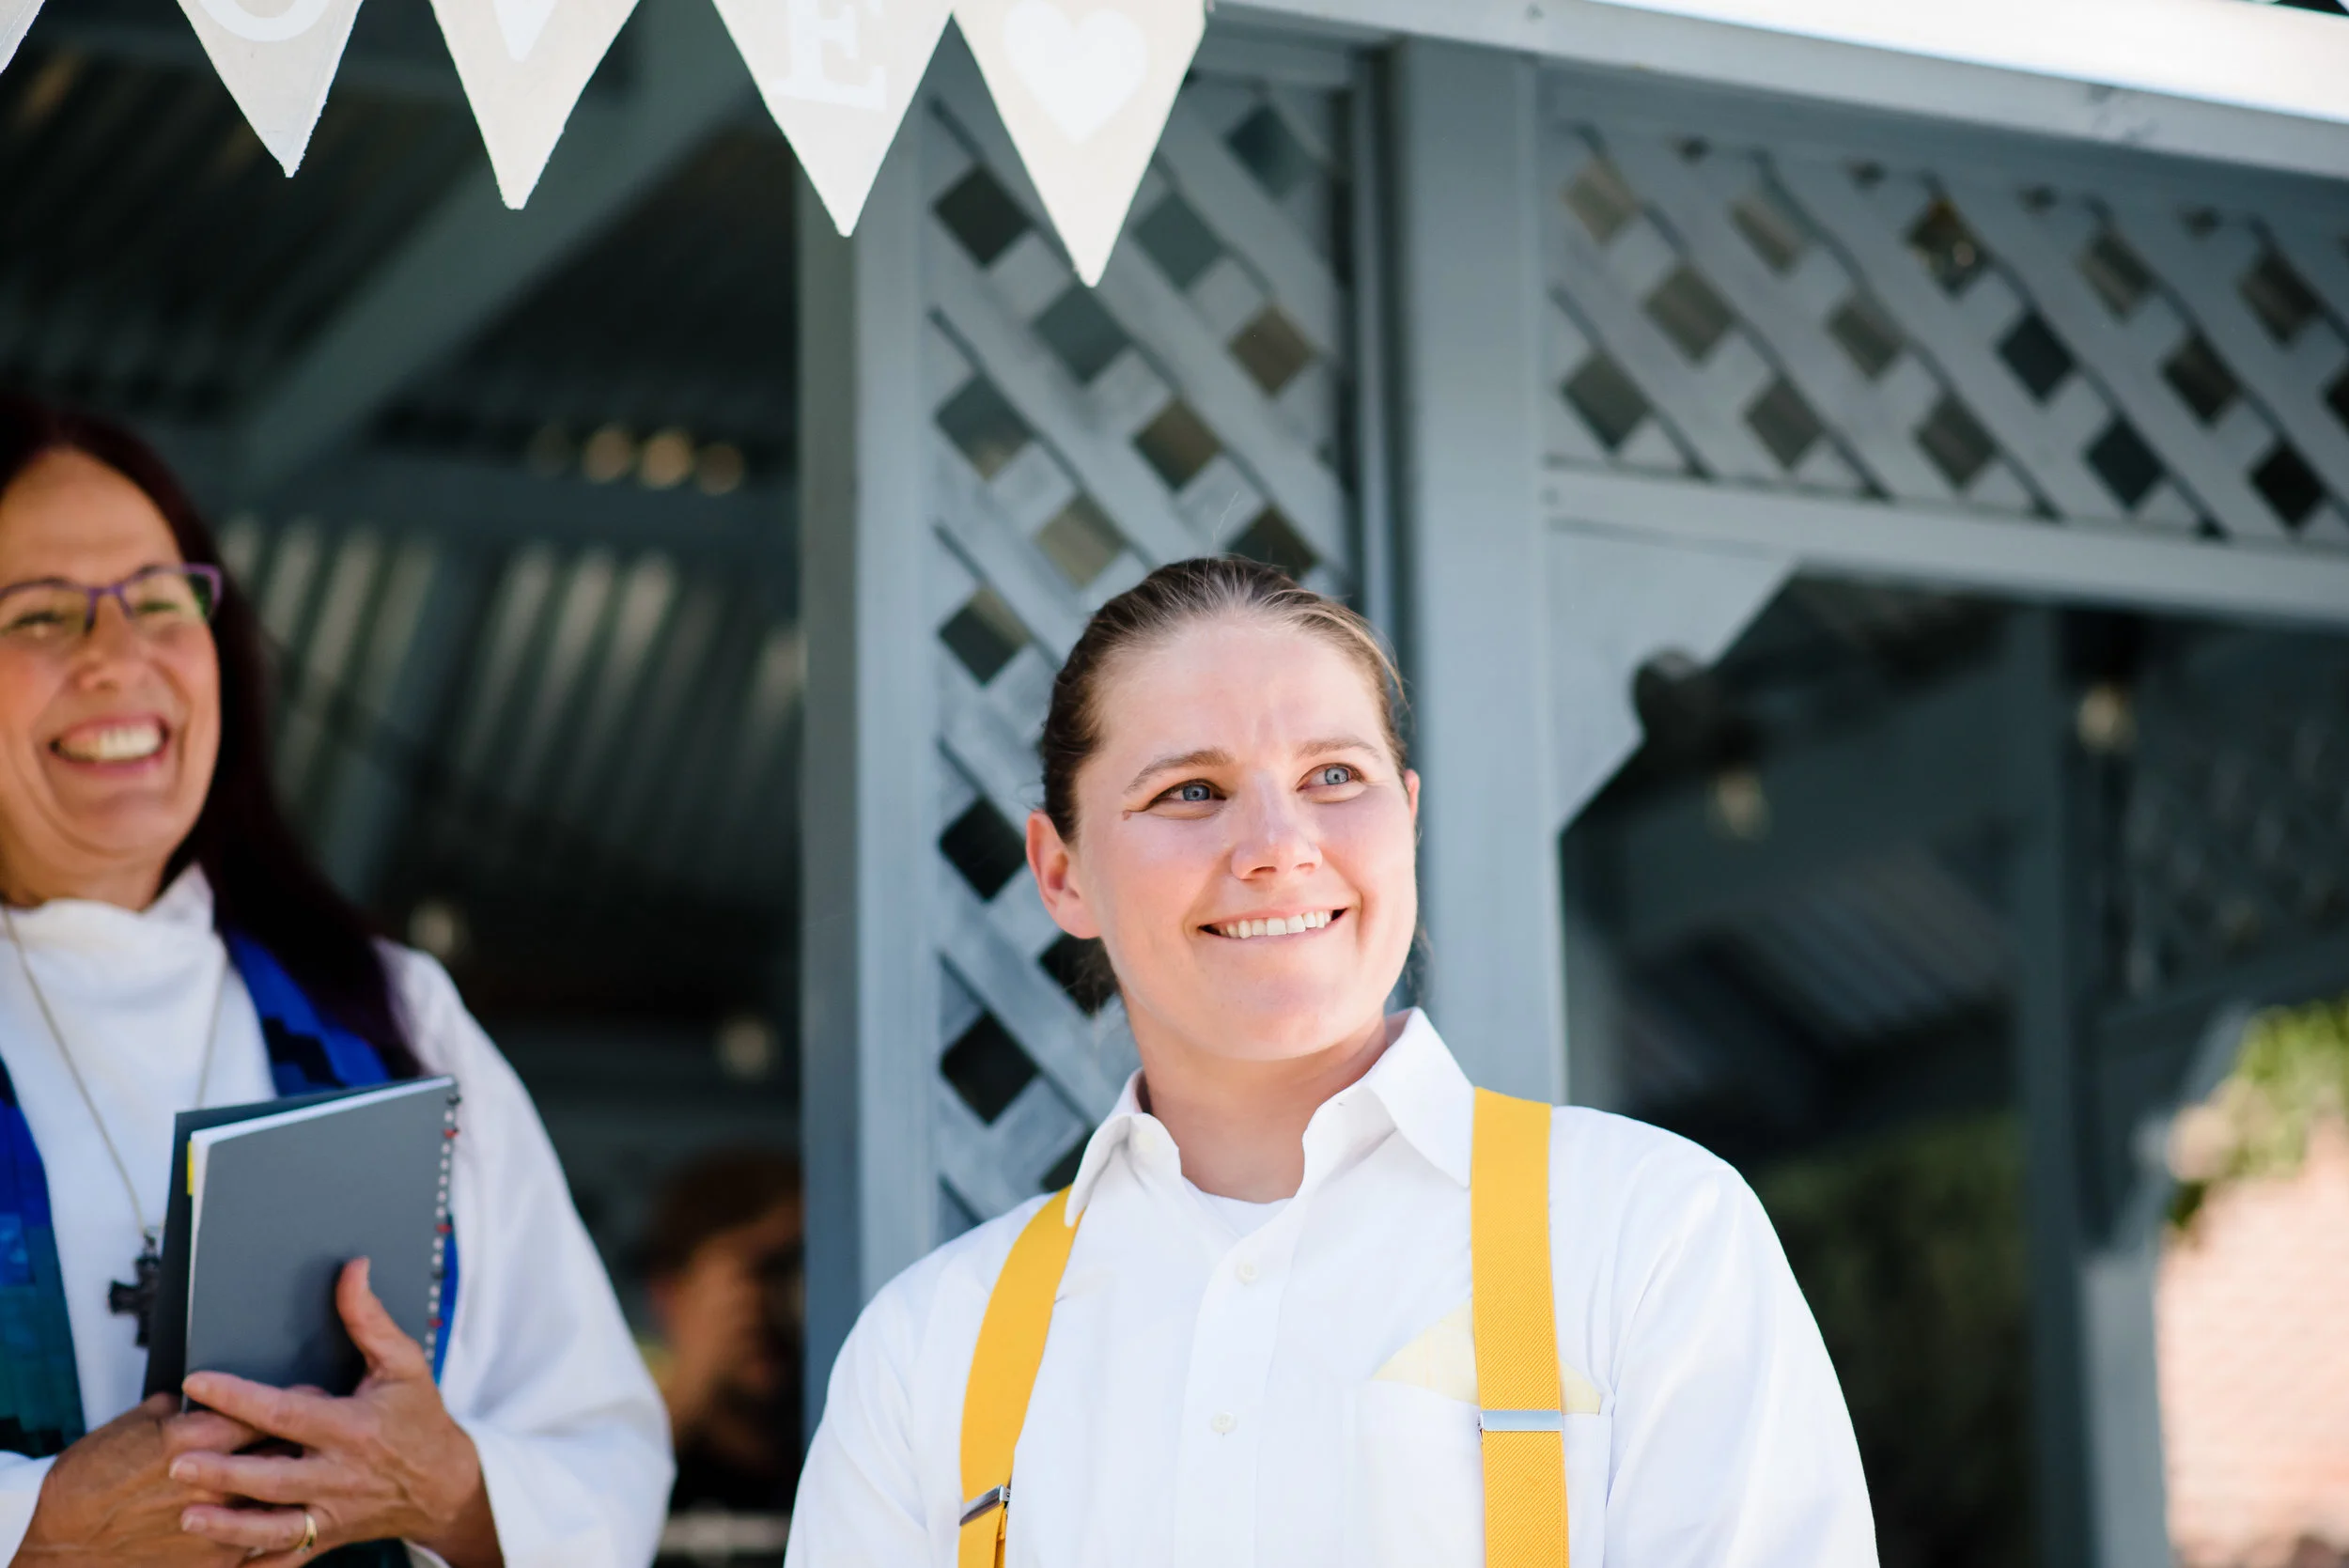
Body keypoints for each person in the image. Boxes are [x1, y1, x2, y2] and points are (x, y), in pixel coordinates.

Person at [786, 558, 1876, 1566]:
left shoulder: (1649, 1236)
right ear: (1061, 872)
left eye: (1335, 775)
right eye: (1190, 791)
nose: (1278, 844)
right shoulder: (927, 1349)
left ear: (1406, 819)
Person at [0, 396, 672, 1567]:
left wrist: (442, 1488)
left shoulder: (394, 1013)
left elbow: (604, 1459)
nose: (118, 656)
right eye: (41, 615)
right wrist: (38, 1527)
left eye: (159, 601)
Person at [641, 1150, 804, 1516]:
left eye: (790, 1272)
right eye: (756, 1274)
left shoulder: (841, 1445)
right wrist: (692, 1383)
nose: (772, 1304)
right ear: (667, 1293)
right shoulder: (641, 1457)